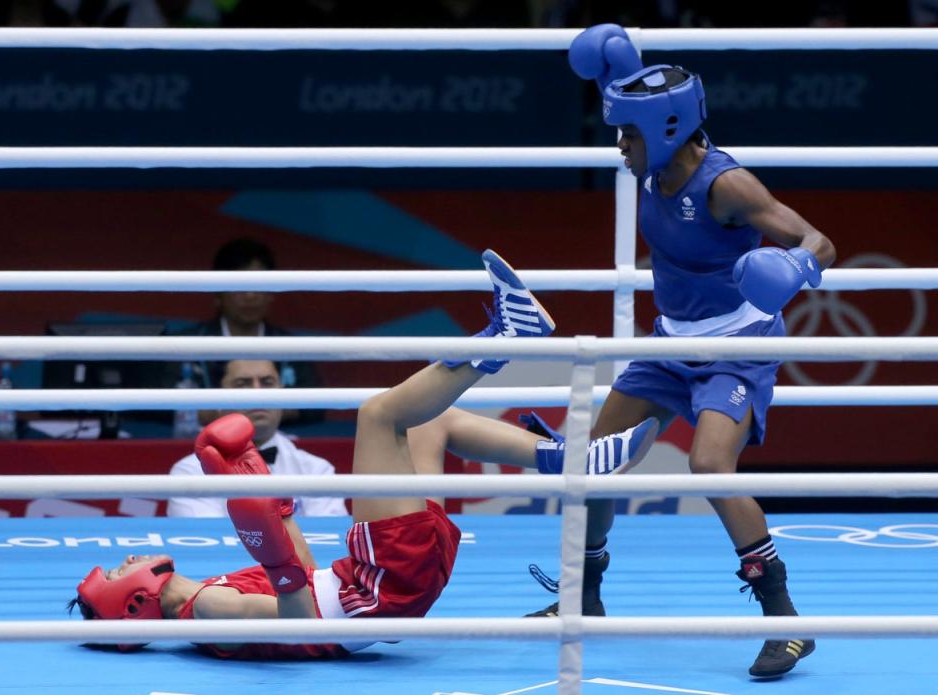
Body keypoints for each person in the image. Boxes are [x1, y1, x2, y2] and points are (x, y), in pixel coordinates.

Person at [68, 249, 659, 659]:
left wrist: (273, 506)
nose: (125, 559)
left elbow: (296, 580)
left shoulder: (203, 600)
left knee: (431, 423)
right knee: (378, 414)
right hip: (375, 592)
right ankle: (504, 339)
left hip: (380, 589)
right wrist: (262, 529)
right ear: (136, 601)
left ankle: (572, 461)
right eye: (117, 574)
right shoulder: (202, 608)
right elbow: (298, 626)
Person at [530, 24, 838, 680]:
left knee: (710, 464)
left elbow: (818, 240)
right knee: (590, 457)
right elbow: (637, 101)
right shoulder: (654, 160)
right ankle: (583, 595)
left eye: (628, 136)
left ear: (668, 131)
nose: (618, 148)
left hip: (736, 346)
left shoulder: (729, 187)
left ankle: (785, 622)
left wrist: (792, 268)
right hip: (671, 342)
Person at [166, 359, 346, 518]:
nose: (258, 392)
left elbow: (330, 547)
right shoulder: (189, 472)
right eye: (243, 384)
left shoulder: (317, 469)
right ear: (217, 398)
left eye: (267, 383)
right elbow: (208, 548)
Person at [176, 237, 323, 424]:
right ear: (217, 293)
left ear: (272, 293)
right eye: (240, 286)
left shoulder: (291, 347)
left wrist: (236, 414)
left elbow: (315, 409)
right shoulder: (187, 344)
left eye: (257, 285)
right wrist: (262, 412)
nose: (250, 295)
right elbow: (161, 409)